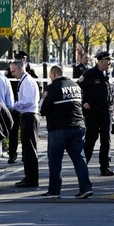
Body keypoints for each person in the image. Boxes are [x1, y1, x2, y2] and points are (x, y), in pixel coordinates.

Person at [39, 65, 93, 199]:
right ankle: (85, 188)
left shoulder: (53, 88)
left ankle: (54, 191)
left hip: (59, 129)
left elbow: (43, 108)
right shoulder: (75, 86)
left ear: (53, 75)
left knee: (55, 161)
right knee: (79, 158)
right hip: (78, 127)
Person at [77, 51, 114, 176]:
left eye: (110, 60)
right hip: (93, 113)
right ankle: (82, 164)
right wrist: (84, 102)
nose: (110, 63)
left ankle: (105, 167)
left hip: (107, 113)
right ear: (100, 61)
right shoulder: (89, 74)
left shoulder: (108, 74)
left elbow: (111, 92)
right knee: (91, 139)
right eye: (107, 60)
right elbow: (78, 88)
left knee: (106, 140)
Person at [10, 60, 40, 187]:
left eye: (14, 71)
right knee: (27, 149)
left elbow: (27, 101)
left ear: (21, 69)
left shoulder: (27, 81)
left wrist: (13, 105)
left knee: (30, 150)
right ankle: (29, 177)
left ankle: (32, 179)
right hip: (27, 116)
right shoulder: (24, 80)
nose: (12, 74)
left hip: (29, 116)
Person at [5, 51, 37, 164]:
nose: (12, 73)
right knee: (13, 132)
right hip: (16, 108)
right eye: (18, 58)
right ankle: (12, 154)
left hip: (23, 108)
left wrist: (15, 105)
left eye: (21, 59)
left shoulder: (29, 75)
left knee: (27, 140)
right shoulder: (10, 73)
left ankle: (26, 156)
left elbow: (29, 98)